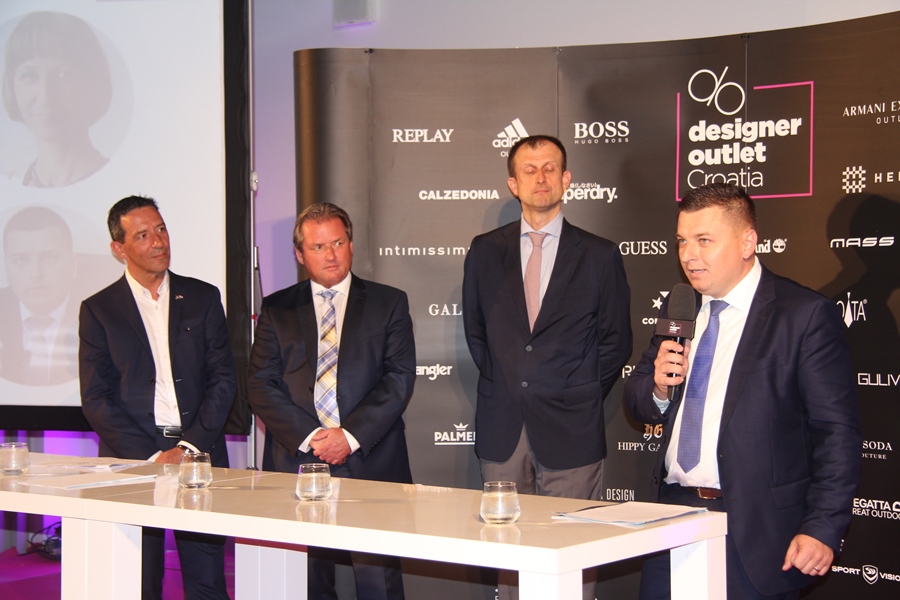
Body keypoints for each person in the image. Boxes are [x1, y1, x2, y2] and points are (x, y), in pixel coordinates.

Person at [623, 183, 861, 600]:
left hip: (755, 531)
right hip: (670, 518)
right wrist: (658, 385)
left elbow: (836, 433)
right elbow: (637, 401)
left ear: (747, 242)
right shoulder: (678, 309)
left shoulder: (802, 316)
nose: (688, 255)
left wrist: (822, 526)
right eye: (682, 241)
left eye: (704, 241)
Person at [462, 135, 632, 598]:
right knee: (508, 553)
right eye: (530, 170)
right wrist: (511, 383)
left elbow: (616, 341)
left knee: (572, 553)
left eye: (550, 168)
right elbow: (477, 333)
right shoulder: (484, 251)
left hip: (573, 428)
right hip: (502, 426)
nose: (541, 177)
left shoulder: (599, 255)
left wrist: (576, 392)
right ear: (513, 184)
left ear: (566, 179)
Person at [248, 202, 415, 600]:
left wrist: (349, 437)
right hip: (297, 462)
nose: (331, 255)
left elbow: (398, 378)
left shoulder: (388, 302)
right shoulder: (277, 307)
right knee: (307, 583)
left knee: (378, 583)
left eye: (338, 243)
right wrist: (313, 438)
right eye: (318, 246)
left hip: (371, 460)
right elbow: (260, 384)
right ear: (299, 254)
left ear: (351, 244)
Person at [79, 195, 235, 600]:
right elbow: (96, 398)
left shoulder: (202, 297)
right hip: (133, 461)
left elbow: (223, 379)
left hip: (199, 453)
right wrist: (152, 457)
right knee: (137, 581)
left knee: (206, 581)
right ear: (119, 249)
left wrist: (187, 448)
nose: (159, 241)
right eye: (143, 235)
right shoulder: (98, 310)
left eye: (161, 229)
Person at [2, 11, 112, 187]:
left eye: (62, 75)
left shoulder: (121, 180)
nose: (45, 97)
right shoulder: (10, 184)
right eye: (30, 76)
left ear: (92, 82)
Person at [0, 206, 79, 384]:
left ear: (73, 265)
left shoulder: (101, 315)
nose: (35, 273)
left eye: (49, 258)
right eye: (21, 260)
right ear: (6, 268)